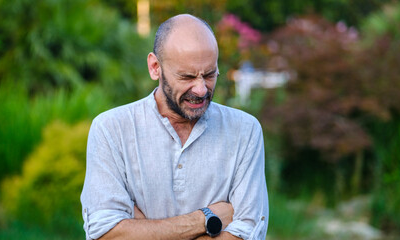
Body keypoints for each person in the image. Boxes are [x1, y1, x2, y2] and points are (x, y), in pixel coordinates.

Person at [81, 14, 269, 240]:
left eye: (209, 74)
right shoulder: (111, 129)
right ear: (155, 67)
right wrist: (206, 219)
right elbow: (106, 234)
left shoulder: (245, 131)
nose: (200, 89)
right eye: (187, 77)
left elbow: (249, 232)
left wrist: (144, 228)